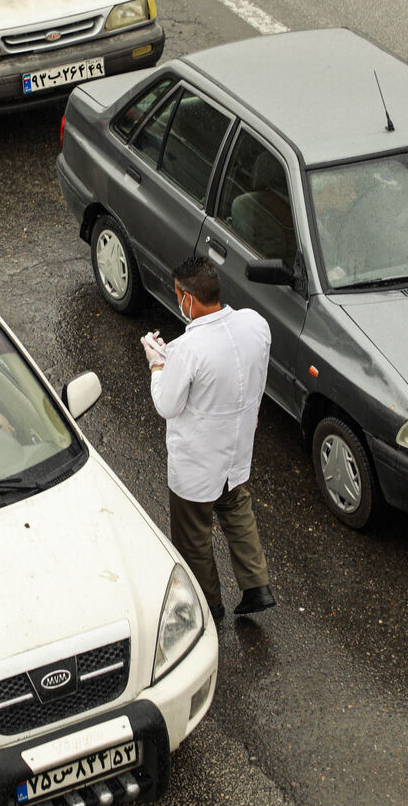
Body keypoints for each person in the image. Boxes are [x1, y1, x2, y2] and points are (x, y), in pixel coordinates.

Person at [143, 256, 275, 618]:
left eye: (177, 295)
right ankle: (256, 586)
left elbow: (167, 405)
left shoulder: (187, 348)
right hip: (235, 451)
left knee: (194, 536)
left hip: (197, 463)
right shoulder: (255, 325)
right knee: (236, 509)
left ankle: (208, 604)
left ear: (188, 298)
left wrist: (158, 364)